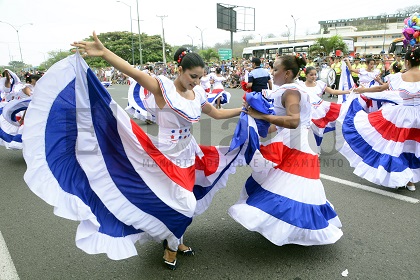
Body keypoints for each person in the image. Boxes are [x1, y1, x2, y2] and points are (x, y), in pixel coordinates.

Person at [25, 31, 243, 270]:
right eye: (193, 76)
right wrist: (104, 52)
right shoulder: (163, 88)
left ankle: (176, 238)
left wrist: (242, 111)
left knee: (179, 201)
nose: (196, 82)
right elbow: (133, 71)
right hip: (165, 157)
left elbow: (217, 113)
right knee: (184, 204)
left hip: (188, 155)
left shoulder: (197, 93)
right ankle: (170, 245)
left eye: (200, 78)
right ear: (180, 70)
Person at [228, 55, 343, 246]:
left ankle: (293, 231)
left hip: (299, 146)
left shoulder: (292, 91)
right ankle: (289, 230)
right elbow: (278, 125)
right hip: (290, 142)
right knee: (281, 185)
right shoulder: (288, 90)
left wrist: (262, 116)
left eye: (275, 70)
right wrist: (254, 125)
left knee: (294, 189)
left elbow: (293, 120)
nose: (272, 74)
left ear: (287, 73)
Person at [339, 45, 420, 191]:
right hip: (418, 115)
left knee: (399, 146)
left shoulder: (399, 77)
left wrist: (362, 90)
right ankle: (411, 179)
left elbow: (380, 88)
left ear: (407, 62)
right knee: (414, 146)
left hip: (402, 116)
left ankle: (405, 178)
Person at [298, 66, 351, 153]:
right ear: (306, 75)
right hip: (307, 112)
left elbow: (333, 92)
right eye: (311, 75)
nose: (314, 76)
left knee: (318, 131)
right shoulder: (300, 86)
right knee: (307, 132)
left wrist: (347, 91)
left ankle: (315, 149)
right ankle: (308, 149)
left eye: (315, 74)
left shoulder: (319, 84)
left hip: (320, 112)